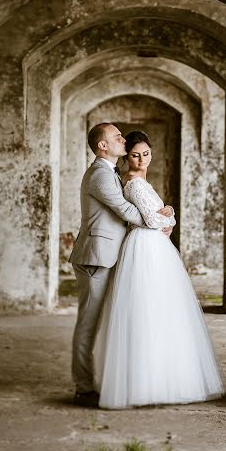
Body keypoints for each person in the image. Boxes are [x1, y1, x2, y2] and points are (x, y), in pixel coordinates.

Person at [95, 131, 226, 409]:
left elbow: (165, 216)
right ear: (126, 156)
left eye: (146, 154)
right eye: (134, 155)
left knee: (162, 310)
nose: (142, 159)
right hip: (145, 247)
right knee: (148, 310)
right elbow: (155, 220)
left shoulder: (142, 180)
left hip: (154, 245)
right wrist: (165, 216)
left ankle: (160, 378)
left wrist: (169, 214)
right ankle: (147, 383)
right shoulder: (133, 183)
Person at [69, 123, 172, 407]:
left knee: (106, 321)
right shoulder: (100, 175)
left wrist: (161, 215)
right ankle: (83, 387)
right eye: (116, 137)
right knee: (88, 323)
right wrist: (159, 221)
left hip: (109, 253)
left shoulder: (111, 172)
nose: (122, 139)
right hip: (96, 256)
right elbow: (126, 210)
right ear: (102, 146)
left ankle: (103, 379)